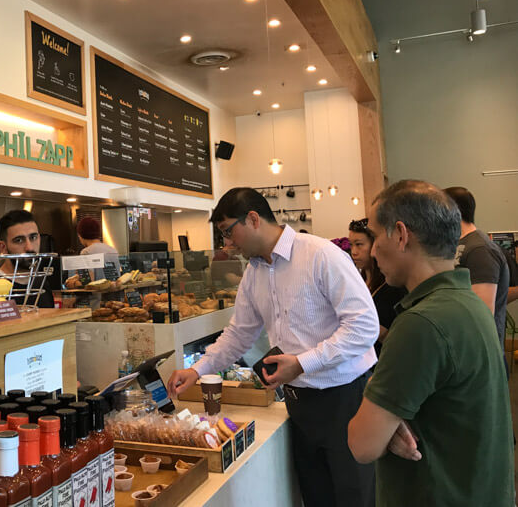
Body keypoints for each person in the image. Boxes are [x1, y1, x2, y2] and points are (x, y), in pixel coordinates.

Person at [167, 187, 379, 507]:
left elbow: (364, 327)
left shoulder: (321, 255)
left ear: (253, 219)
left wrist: (303, 362)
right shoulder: (255, 272)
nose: (227, 244)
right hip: (298, 402)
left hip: (346, 399)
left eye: (228, 232)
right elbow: (239, 333)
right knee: (315, 496)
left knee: (354, 497)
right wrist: (198, 370)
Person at [347, 181, 513, 507]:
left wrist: (381, 418)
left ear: (400, 234)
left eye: (375, 236)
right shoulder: (468, 304)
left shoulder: (421, 323)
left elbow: (362, 444)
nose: (373, 249)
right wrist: (391, 420)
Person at [444, 186, 510, 348]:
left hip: (480, 353)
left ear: (452, 210)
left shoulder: (480, 249)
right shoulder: (458, 244)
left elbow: (482, 314)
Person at [348, 218, 405, 355]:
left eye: (359, 244)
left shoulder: (392, 285)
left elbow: (387, 335)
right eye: (351, 245)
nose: (354, 251)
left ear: (374, 245)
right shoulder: (357, 281)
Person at [0, 209, 53, 307]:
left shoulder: (41, 282)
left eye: (33, 238)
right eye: (19, 240)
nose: (29, 247)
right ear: (3, 247)